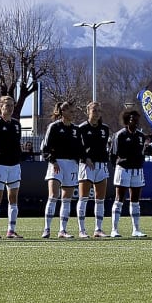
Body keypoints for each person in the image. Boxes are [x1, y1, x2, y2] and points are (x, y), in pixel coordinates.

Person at [40, 101, 82, 239]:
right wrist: (52, 160)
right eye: (70, 111)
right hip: (56, 164)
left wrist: (81, 159)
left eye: (73, 111)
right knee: (53, 196)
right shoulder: (54, 127)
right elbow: (45, 147)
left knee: (67, 198)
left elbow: (79, 149)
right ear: (63, 111)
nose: (72, 113)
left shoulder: (76, 129)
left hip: (71, 165)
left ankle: (62, 230)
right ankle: (47, 229)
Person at [0, 96, 25, 239]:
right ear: (1, 107)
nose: (9, 108)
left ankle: (11, 230)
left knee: (13, 199)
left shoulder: (16, 124)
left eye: (11, 105)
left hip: (14, 166)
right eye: (7, 105)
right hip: (0, 165)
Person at [110, 108, 149, 238]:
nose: (135, 122)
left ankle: (136, 229)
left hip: (137, 170)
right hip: (123, 169)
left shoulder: (141, 136)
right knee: (119, 199)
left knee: (135, 200)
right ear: (127, 120)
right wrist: (119, 166)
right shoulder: (120, 135)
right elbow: (113, 154)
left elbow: (143, 152)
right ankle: (114, 229)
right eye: (132, 119)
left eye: (137, 119)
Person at [76, 101, 112, 238]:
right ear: (88, 112)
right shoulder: (82, 128)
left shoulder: (105, 129)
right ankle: (82, 230)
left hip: (101, 165)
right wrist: (85, 158)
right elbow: (78, 147)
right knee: (84, 197)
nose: (97, 113)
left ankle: (98, 229)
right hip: (86, 165)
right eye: (94, 111)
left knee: (100, 199)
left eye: (98, 111)